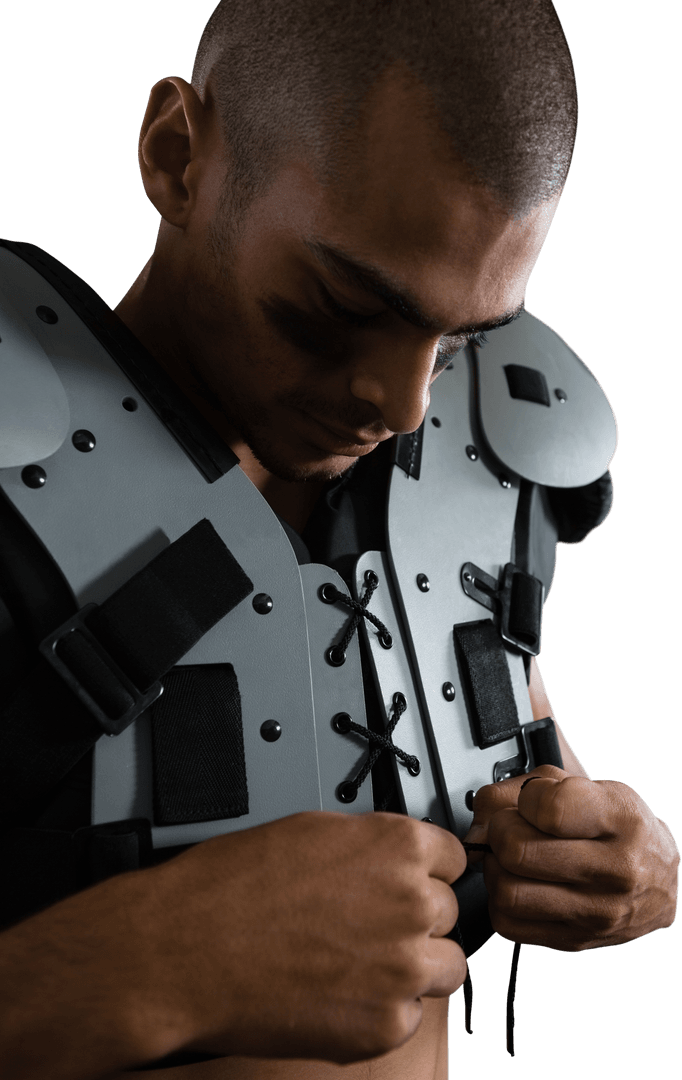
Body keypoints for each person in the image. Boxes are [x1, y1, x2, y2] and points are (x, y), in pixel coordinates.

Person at [0, 2, 678, 1078]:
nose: (403, 407)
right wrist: (151, 965)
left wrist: (623, 863)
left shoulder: (474, 468)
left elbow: (517, 736)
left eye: (457, 340)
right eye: (340, 306)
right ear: (176, 157)